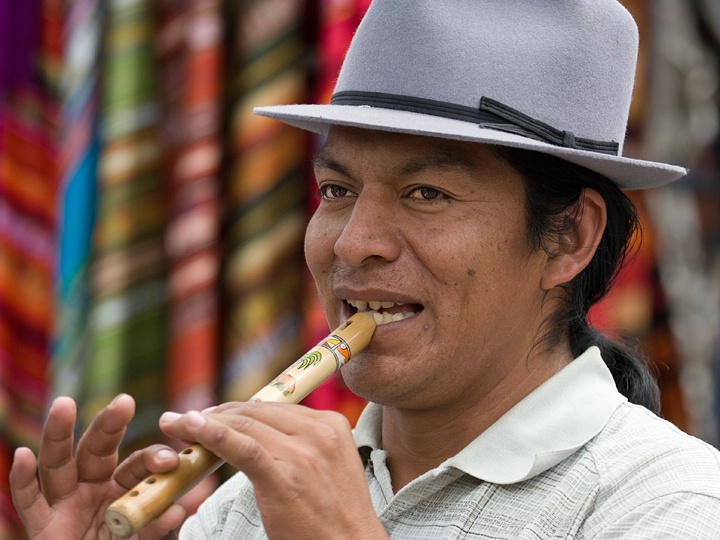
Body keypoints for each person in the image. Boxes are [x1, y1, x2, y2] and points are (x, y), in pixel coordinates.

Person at [10, 0, 720, 538]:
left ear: (568, 238)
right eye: (337, 191)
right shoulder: (247, 508)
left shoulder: (669, 506)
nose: (354, 243)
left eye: (427, 194)